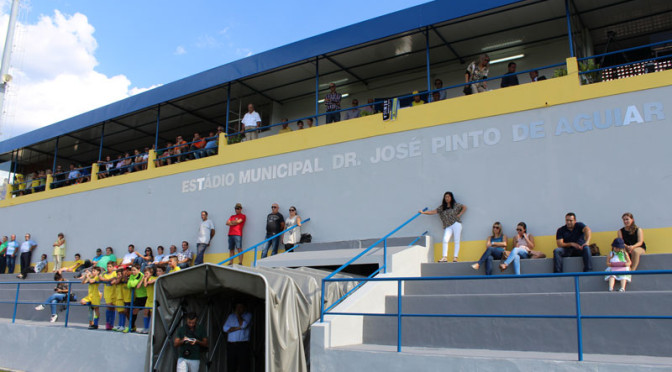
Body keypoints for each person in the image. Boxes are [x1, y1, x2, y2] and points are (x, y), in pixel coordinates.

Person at [419, 191, 467, 262]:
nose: (447, 198)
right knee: (445, 239)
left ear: (451, 197)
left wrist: (459, 214)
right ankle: (444, 257)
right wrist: (423, 212)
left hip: (456, 223)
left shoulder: (455, 205)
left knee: (456, 240)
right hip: (447, 225)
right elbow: (433, 212)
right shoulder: (442, 207)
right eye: (446, 197)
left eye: (448, 197)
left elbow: (464, 207)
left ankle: (455, 257)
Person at [223, 303, 252, 372]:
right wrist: (239, 328)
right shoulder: (231, 316)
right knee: (231, 366)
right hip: (231, 345)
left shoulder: (248, 315)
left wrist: (238, 315)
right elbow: (225, 329)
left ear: (244, 308)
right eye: (237, 307)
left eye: (240, 307)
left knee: (244, 366)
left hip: (242, 344)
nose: (238, 309)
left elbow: (243, 325)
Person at [127, 264, 147, 333]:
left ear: (138, 270)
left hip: (144, 296)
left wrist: (132, 282)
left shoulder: (140, 275)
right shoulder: (132, 276)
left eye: (134, 270)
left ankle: (146, 328)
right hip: (138, 297)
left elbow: (133, 284)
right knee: (133, 311)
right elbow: (128, 285)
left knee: (147, 312)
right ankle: (132, 326)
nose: (133, 272)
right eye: (132, 270)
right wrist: (131, 282)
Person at [141, 266, 160, 334]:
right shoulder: (145, 279)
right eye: (145, 273)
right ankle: (146, 327)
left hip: (153, 299)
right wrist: (144, 279)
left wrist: (145, 279)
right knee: (145, 312)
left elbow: (146, 284)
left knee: (152, 314)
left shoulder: (152, 278)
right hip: (148, 299)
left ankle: (150, 328)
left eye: (147, 273)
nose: (145, 275)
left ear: (151, 273)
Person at [100, 261, 118, 330]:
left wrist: (107, 280)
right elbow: (100, 278)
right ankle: (107, 323)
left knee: (113, 308)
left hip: (114, 292)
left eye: (110, 266)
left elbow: (115, 280)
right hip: (107, 293)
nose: (108, 268)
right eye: (107, 266)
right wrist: (109, 280)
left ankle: (112, 324)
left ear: (113, 267)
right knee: (108, 306)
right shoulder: (104, 273)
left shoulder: (115, 273)